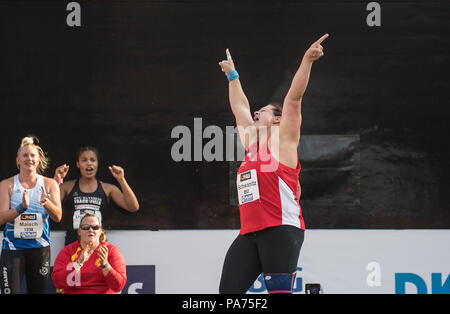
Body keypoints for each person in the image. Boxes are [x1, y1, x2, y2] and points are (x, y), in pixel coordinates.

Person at [217, 34, 329, 294]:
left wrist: (307, 61)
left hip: (281, 230)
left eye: (264, 111)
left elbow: (294, 99)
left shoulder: (284, 141)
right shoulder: (252, 144)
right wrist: (233, 76)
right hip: (250, 233)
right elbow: (240, 108)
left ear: (278, 120)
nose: (256, 113)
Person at [0, 136, 62, 294]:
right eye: (25, 155)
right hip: (13, 250)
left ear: (39, 160)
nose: (29, 159)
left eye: (33, 155)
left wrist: (46, 203)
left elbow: (58, 217)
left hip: (39, 250)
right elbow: (0, 218)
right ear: (18, 160)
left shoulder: (49, 184)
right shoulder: (7, 184)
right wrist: (21, 208)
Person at [53, 146, 139, 245]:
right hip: (73, 244)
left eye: (93, 160)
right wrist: (57, 180)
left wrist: (121, 180)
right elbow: (49, 206)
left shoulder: (108, 189)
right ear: (78, 164)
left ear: (97, 164)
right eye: (84, 160)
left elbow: (133, 207)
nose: (89, 163)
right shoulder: (67, 187)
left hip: (98, 245)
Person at [52, 213, 127, 294]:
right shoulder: (68, 251)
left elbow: (118, 286)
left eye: (95, 227)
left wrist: (105, 265)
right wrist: (78, 263)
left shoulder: (111, 251)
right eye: (86, 227)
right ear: (79, 232)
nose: (90, 230)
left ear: (100, 232)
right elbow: (58, 282)